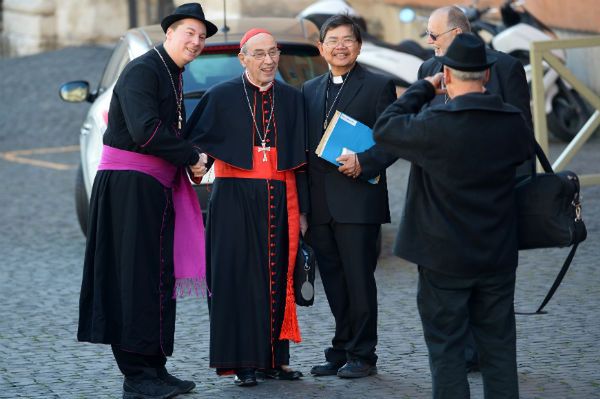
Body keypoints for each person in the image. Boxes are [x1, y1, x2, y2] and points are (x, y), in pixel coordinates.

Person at [373, 33, 534, 399]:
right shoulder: (510, 121)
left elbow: (385, 127)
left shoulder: (434, 124)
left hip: (442, 256)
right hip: (496, 253)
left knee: (446, 351)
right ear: (488, 76)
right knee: (499, 350)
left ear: (445, 75)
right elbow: (524, 152)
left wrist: (423, 90)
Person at [77, 3, 217, 399]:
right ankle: (137, 376)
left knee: (158, 276)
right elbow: (146, 132)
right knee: (134, 279)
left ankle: (155, 367)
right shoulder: (143, 69)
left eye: (202, 37)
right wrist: (191, 156)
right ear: (169, 32)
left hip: (154, 187)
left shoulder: (170, 73)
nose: (196, 41)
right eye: (189, 32)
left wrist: (188, 157)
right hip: (129, 189)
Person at [186, 28, 307, 387]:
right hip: (234, 197)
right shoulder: (221, 96)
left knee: (277, 276)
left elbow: (302, 163)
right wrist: (197, 164)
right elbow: (198, 150)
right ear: (243, 59)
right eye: (259, 54)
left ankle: (276, 358)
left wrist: (306, 212)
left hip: (280, 195)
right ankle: (243, 362)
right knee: (237, 279)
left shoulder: (291, 98)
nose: (268, 60)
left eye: (273, 53)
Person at [420, 5, 534, 372]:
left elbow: (522, 140)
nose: (428, 42)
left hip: (492, 206)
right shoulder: (427, 72)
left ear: (457, 33)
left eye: (433, 35)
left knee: (491, 294)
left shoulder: (505, 68)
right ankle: (466, 355)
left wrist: (517, 199)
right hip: (442, 206)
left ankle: (490, 353)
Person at [302, 14, 397, 379]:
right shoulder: (310, 89)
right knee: (334, 282)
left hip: (358, 200)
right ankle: (341, 348)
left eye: (348, 40)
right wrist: (304, 208)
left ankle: (364, 354)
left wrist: (366, 162)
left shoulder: (378, 86)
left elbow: (393, 139)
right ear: (321, 48)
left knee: (359, 280)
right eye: (333, 40)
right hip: (321, 202)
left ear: (358, 45)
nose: (340, 46)